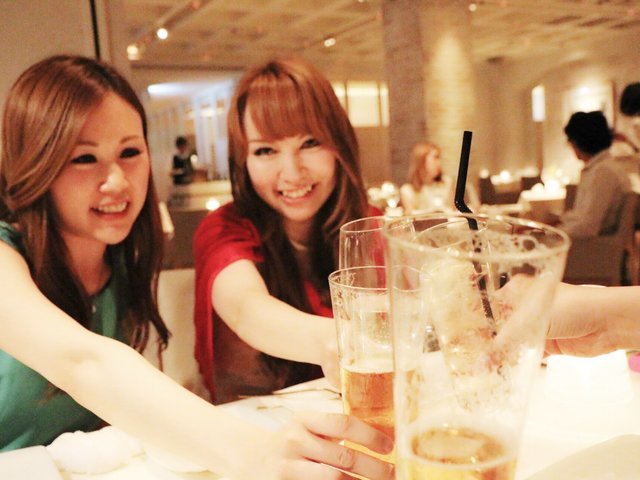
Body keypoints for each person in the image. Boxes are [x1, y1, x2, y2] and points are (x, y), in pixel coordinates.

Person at [0, 55, 393, 480]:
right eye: (84, 158)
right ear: (36, 162)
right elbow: (86, 363)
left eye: (130, 152)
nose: (117, 181)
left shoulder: (121, 260)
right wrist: (252, 453)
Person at [193, 57, 378, 404]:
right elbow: (246, 309)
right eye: (266, 150)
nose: (292, 173)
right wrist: (335, 341)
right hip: (253, 424)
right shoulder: (223, 229)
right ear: (243, 161)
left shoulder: (369, 225)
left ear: (338, 144)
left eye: (310, 143)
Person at [557, 111, 631, 237]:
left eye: (571, 141)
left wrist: (555, 235)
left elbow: (588, 227)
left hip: (593, 245)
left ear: (579, 142)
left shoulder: (604, 172)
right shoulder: (603, 168)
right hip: (592, 242)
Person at [400, 142, 479, 214]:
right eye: (436, 157)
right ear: (421, 160)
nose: (439, 163)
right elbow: (409, 218)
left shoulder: (447, 183)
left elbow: (455, 211)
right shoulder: (407, 191)